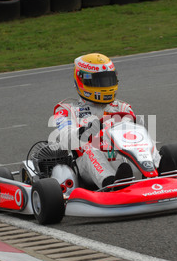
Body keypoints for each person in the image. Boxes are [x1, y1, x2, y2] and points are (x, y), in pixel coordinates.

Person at [50, 53, 161, 188]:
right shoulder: (66, 109)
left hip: (124, 156)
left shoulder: (122, 106)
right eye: (98, 81)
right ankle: (111, 184)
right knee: (92, 150)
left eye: (108, 80)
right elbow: (65, 139)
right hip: (87, 165)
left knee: (144, 141)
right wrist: (88, 130)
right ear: (82, 80)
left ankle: (162, 172)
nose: (104, 85)